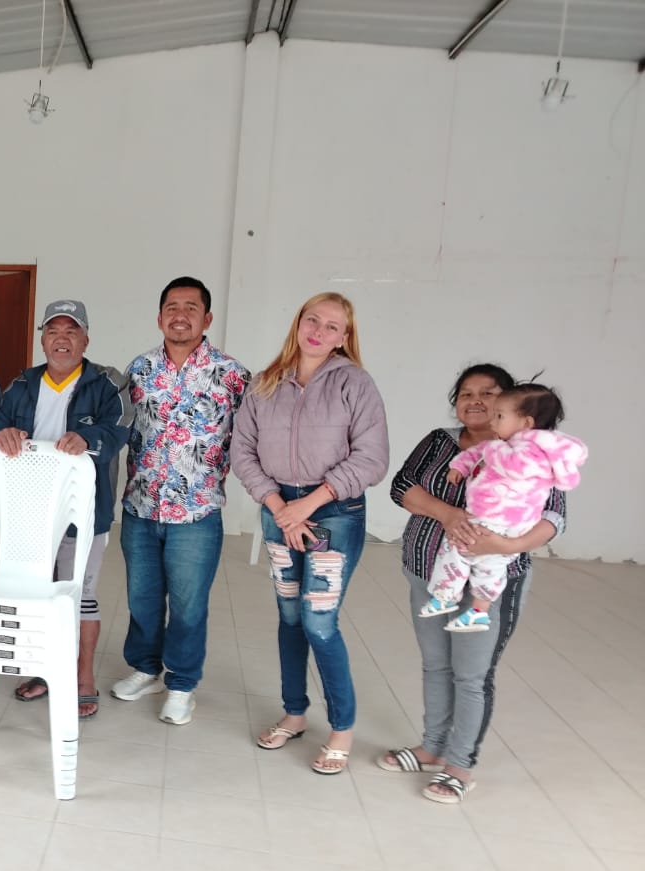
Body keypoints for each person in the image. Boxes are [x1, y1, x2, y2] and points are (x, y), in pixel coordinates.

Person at [382, 364, 569, 803]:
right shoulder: (440, 442)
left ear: (511, 403)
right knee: (435, 664)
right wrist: (450, 516)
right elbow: (402, 486)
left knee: (472, 676)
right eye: (466, 393)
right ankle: (432, 747)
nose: (476, 401)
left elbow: (555, 515)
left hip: (491, 582)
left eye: (488, 393)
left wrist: (509, 545)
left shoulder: (534, 451)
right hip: (428, 569)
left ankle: (460, 765)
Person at [230, 292, 389, 774]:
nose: (318, 331)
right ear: (298, 323)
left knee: (319, 621)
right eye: (312, 320)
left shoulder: (355, 383)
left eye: (331, 326)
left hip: (334, 513)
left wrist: (309, 504)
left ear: (344, 337)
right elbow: (242, 451)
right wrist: (281, 507)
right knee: (289, 617)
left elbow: (372, 458)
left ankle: (341, 728)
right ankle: (295, 714)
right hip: (279, 510)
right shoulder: (265, 382)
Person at [112, 276, 251, 725]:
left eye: (191, 307)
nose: (180, 315)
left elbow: (252, 437)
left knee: (189, 605)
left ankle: (182, 684)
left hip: (197, 512)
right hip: (140, 506)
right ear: (159, 318)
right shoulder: (139, 369)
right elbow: (119, 429)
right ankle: (146, 669)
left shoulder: (231, 374)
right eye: (172, 306)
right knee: (142, 598)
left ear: (207, 319)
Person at [0, 299, 129, 719]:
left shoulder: (107, 382)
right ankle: (46, 669)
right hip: (29, 513)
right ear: (43, 339)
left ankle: (82, 677)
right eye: (53, 331)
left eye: (71, 331)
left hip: (84, 510)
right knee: (39, 593)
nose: (61, 339)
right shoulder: (23, 383)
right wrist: (1, 434)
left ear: (86, 339)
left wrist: (89, 439)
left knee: (79, 593)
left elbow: (120, 427)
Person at [420, 383, 586, 632]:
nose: (493, 421)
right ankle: (479, 612)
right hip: (496, 518)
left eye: (499, 416)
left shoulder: (533, 452)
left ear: (526, 423)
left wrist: (493, 448)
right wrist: (460, 466)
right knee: (489, 566)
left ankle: (445, 596)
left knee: (456, 547)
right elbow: (476, 452)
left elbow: (514, 466)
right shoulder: (505, 445)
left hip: (501, 520)